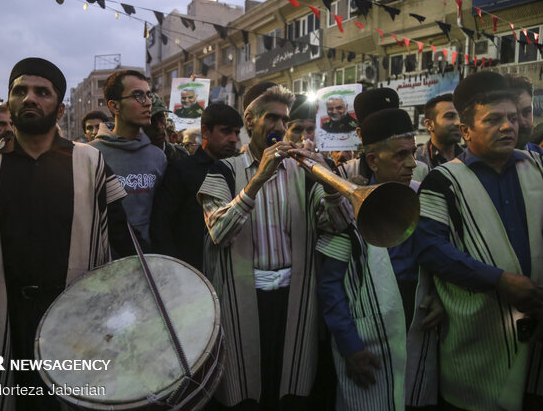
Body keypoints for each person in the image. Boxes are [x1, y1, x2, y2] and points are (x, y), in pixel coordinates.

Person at [0, 58, 136, 411]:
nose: (30, 99)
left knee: (71, 400)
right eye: (20, 91)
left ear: (60, 107)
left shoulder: (90, 162)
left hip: (75, 313)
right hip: (3, 315)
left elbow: (120, 236)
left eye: (42, 92)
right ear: (9, 101)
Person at [199, 85, 353, 410]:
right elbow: (219, 231)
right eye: (271, 118)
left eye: (284, 120)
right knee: (246, 390)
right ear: (250, 120)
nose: (280, 128)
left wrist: (330, 185)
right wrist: (256, 181)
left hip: (293, 297)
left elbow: (337, 223)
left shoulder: (302, 171)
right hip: (243, 299)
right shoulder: (224, 171)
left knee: (289, 387)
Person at [417, 71, 543, 410]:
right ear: (465, 131)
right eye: (494, 119)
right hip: (477, 338)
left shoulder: (537, 166)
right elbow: (431, 249)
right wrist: (500, 281)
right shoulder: (442, 181)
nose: (508, 127)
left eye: (513, 118)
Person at [318, 108, 443, 410]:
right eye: (401, 155)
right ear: (373, 160)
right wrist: (350, 346)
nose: (413, 164)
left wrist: (440, 297)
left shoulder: (423, 195)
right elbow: (330, 285)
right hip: (366, 339)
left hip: (418, 329)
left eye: (413, 153)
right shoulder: (347, 205)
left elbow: (438, 257)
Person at [150, 103, 243, 271]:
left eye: (236, 133)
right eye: (226, 131)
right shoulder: (181, 170)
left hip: (233, 270)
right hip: (192, 271)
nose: (233, 139)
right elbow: (161, 226)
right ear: (206, 131)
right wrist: (174, 270)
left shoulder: (240, 170)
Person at [90, 70, 167, 247]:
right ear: (114, 106)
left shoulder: (158, 157)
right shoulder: (91, 155)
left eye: (148, 95)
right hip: (106, 262)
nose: (148, 103)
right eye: (138, 96)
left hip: (151, 260)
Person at [334, 88, 429, 183]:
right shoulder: (344, 173)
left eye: (393, 120)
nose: (411, 163)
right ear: (360, 134)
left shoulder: (421, 172)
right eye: (377, 125)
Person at [416, 93, 463, 168]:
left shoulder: (470, 159)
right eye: (450, 116)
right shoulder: (415, 160)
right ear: (429, 125)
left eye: (461, 116)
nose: (458, 123)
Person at [144, 94, 189, 162]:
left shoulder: (180, 154)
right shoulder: (134, 157)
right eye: (152, 120)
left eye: (161, 117)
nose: (159, 126)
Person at [504, 74, 533, 149]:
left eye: (527, 112)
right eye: (514, 116)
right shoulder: (483, 159)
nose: (522, 122)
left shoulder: (539, 155)